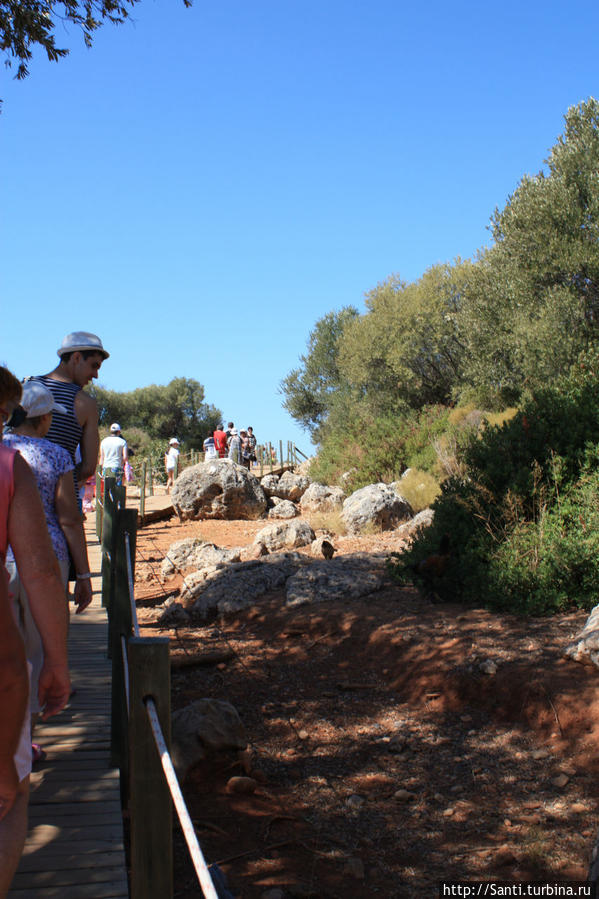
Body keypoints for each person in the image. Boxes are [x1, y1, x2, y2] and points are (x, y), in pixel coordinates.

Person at [0, 368, 70, 894]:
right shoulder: (15, 465)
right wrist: (56, 661)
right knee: (9, 796)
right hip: (29, 564)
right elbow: (49, 560)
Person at [4, 381, 93, 761]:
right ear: (42, 419)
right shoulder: (57, 456)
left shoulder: (3, 450)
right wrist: (85, 575)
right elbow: (70, 519)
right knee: (38, 651)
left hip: (4, 558)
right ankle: (27, 741)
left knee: (10, 649)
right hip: (47, 558)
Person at [29, 331, 109, 486]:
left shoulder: (25, 387)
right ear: (77, 357)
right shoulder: (86, 403)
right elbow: (88, 468)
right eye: (94, 366)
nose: (96, 375)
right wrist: (62, 480)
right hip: (61, 502)